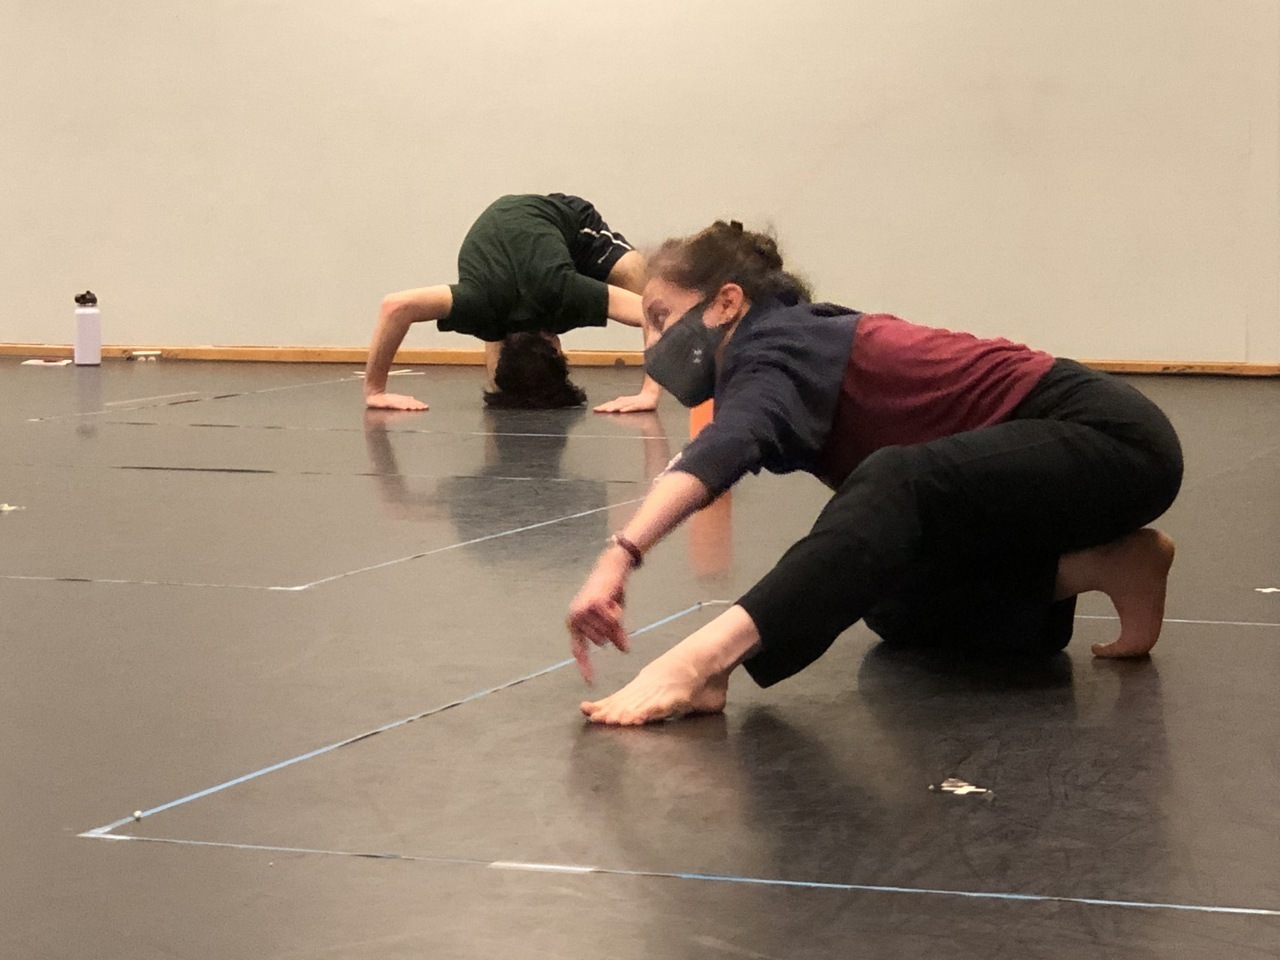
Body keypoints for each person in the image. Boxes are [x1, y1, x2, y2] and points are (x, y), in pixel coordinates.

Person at [566, 220, 1184, 725]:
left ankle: (706, 662)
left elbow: (719, 451)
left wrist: (621, 553)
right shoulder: (773, 349)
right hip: (1026, 476)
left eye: (661, 317)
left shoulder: (778, 343)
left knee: (894, 480)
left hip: (1110, 439)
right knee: (888, 597)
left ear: (727, 303)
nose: (652, 344)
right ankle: (1106, 565)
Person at [363, 193, 662, 413]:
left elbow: (651, 312)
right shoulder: (483, 305)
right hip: (506, 258)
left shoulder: (561, 292)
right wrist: (374, 390)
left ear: (556, 345)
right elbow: (394, 307)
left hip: (570, 228)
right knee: (497, 333)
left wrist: (650, 393)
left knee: (645, 284)